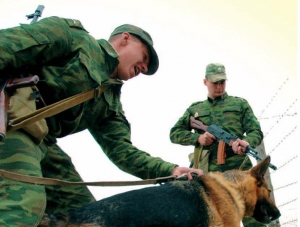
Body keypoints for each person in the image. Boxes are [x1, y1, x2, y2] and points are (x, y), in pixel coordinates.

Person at [0, 16, 203, 226]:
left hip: (41, 141)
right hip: (10, 122)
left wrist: (170, 170)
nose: (143, 68)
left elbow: (122, 151)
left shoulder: (109, 103)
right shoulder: (74, 38)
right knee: (22, 204)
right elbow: (6, 46)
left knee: (86, 216)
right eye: (143, 57)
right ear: (125, 39)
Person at [169, 63, 264, 227]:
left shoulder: (240, 105)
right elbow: (174, 133)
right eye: (215, 82)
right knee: (216, 219)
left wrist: (246, 142)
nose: (219, 87)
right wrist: (198, 139)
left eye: (222, 82)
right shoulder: (195, 109)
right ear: (205, 82)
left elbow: (256, 131)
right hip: (209, 175)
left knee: (253, 218)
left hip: (239, 170)